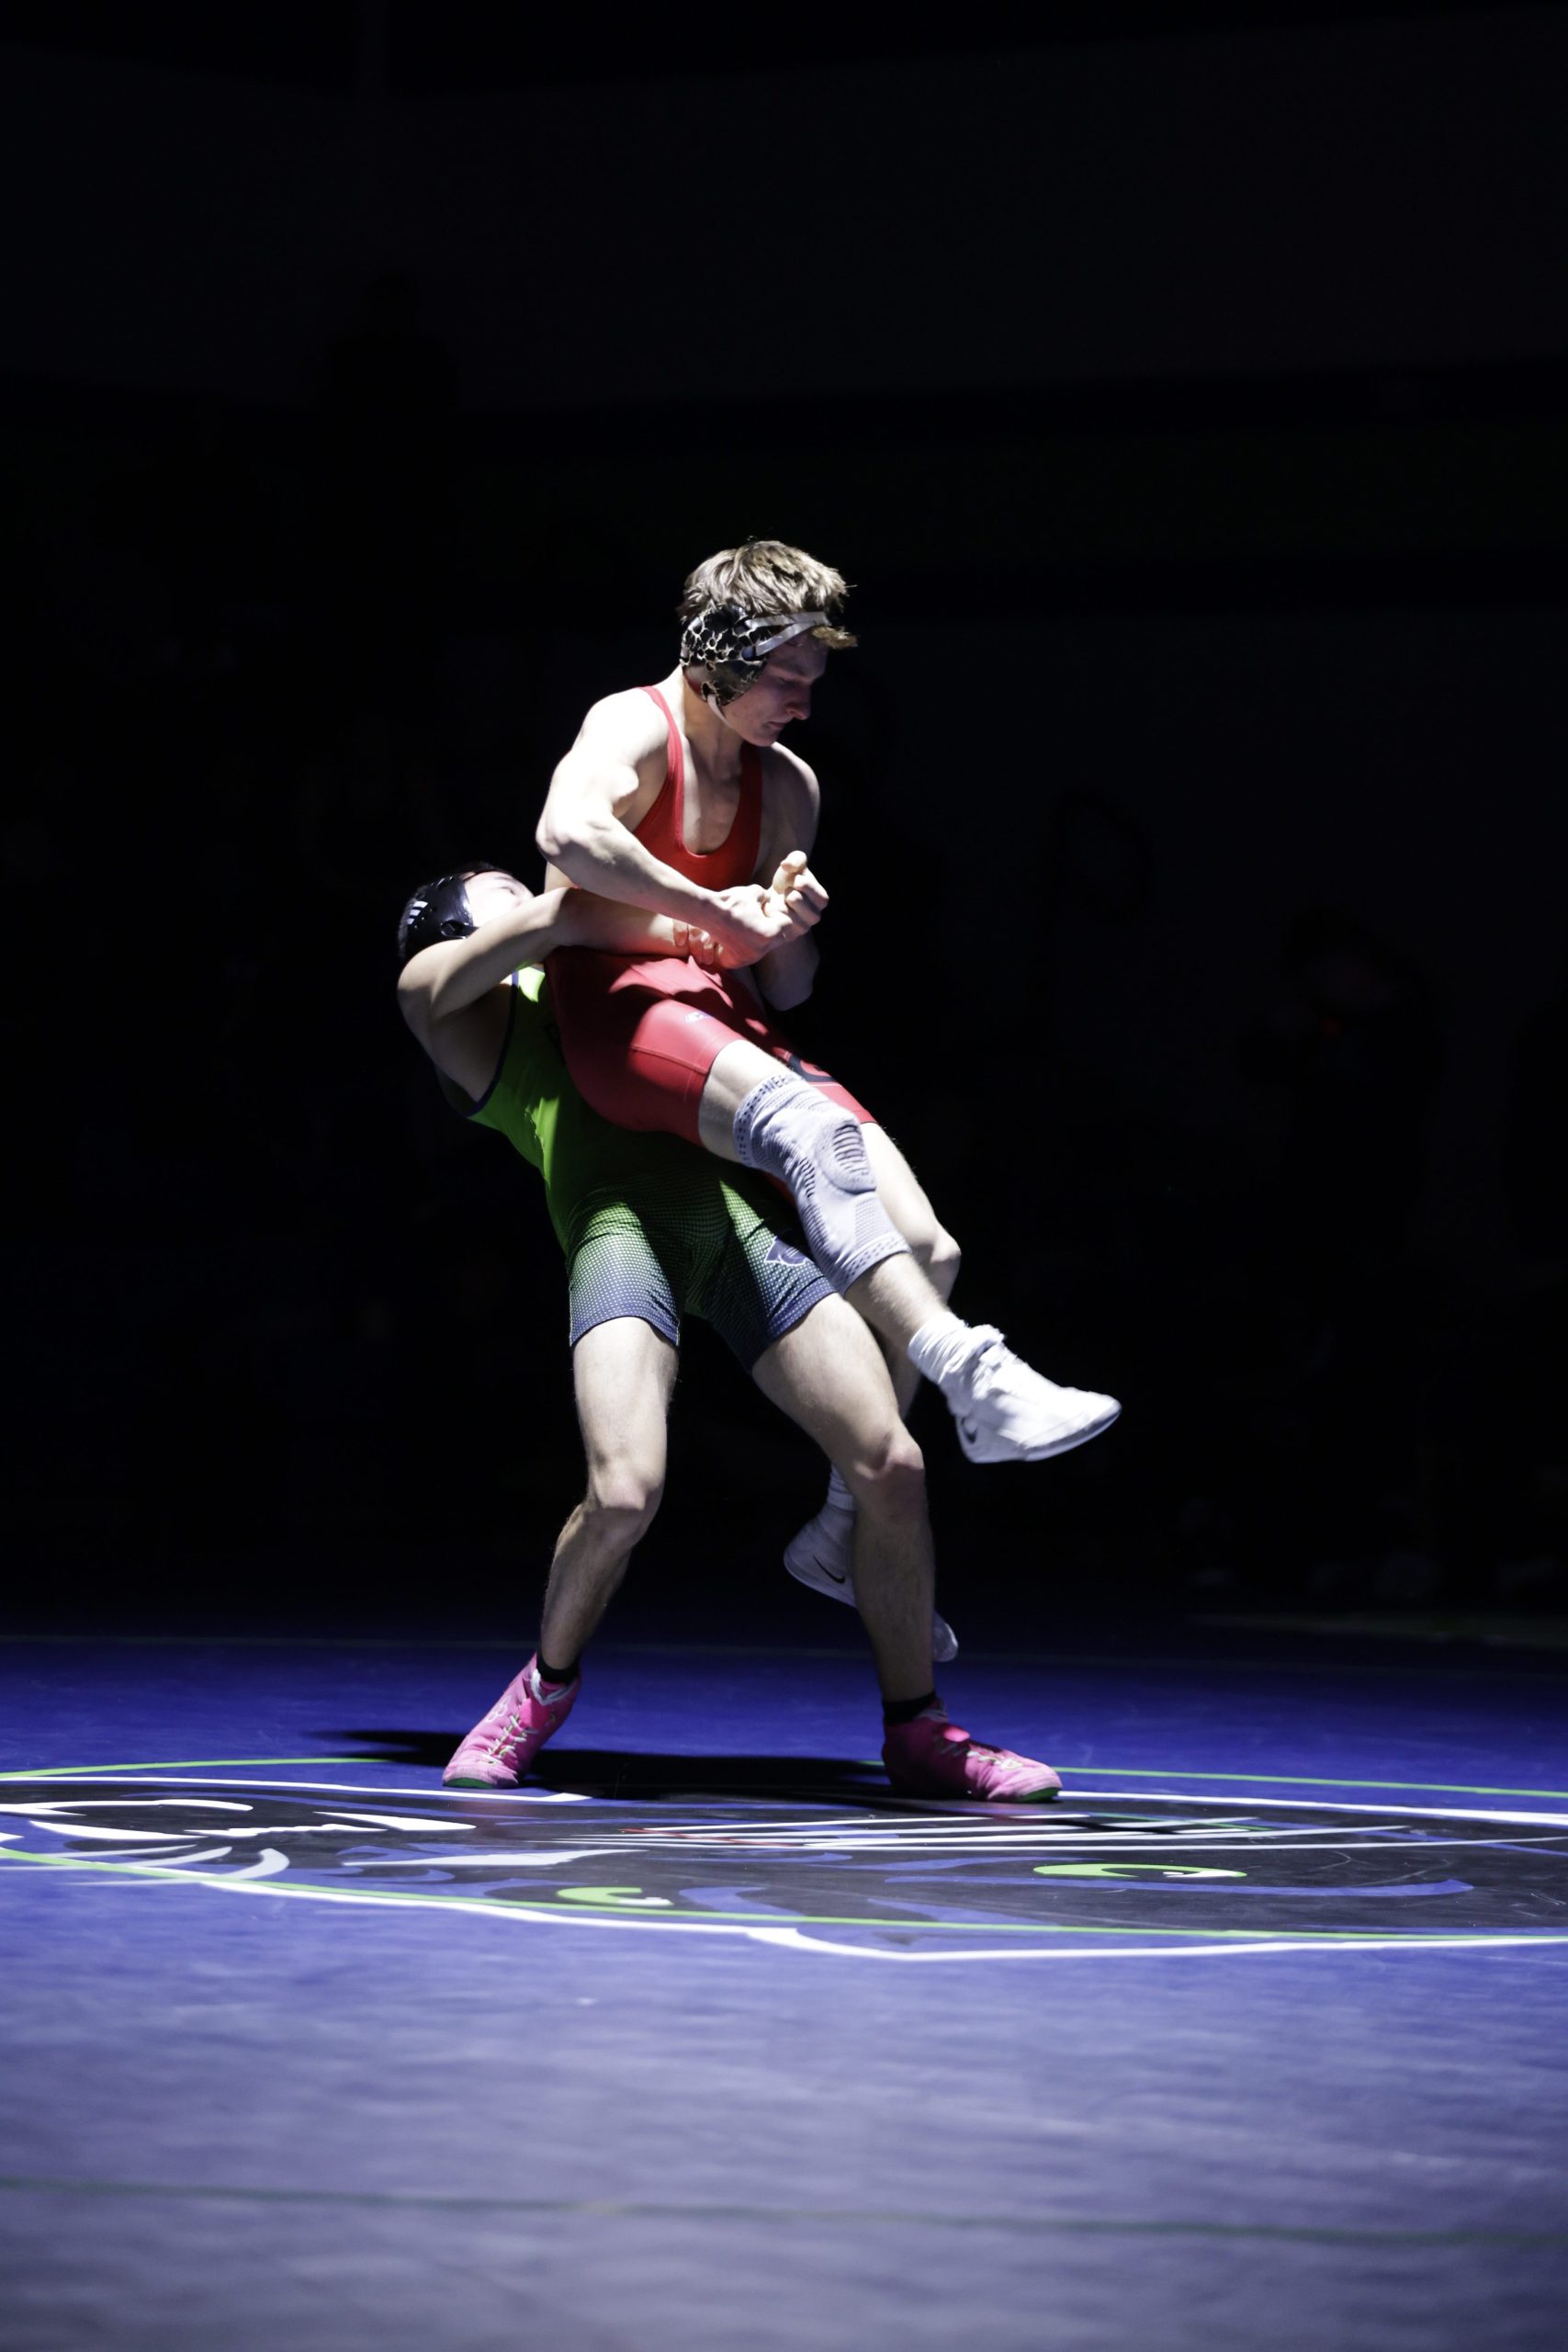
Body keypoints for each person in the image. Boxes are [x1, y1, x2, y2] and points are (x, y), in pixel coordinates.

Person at [535, 540, 1121, 1609]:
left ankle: (840, 1528)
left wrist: (787, 923)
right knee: (816, 1139)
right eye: (785, 678)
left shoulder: (788, 784)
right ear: (718, 652)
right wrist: (716, 911)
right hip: (618, 1015)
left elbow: (788, 989)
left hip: (720, 1021)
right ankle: (972, 1370)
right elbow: (565, 833)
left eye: (815, 684)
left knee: (929, 1244)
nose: (804, 705)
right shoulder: (634, 722)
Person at [396, 864, 1063, 1800]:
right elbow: (564, 910)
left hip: (732, 1226)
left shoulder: (610, 958)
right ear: (458, 926)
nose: (523, 882)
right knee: (624, 1491)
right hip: (618, 1228)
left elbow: (766, 977)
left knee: (894, 1466)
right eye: (499, 886)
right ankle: (541, 1690)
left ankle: (919, 1729)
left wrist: (772, 914)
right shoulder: (454, 1007)